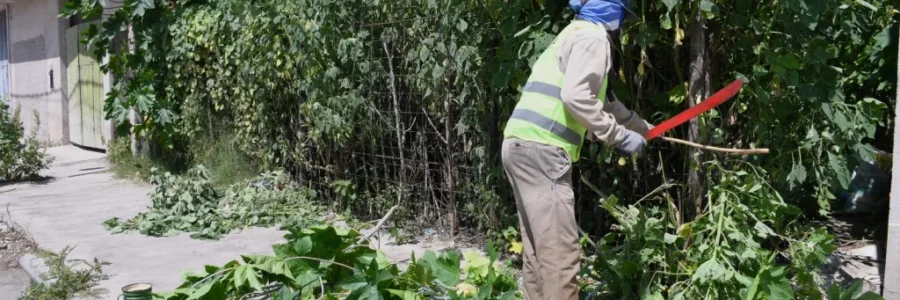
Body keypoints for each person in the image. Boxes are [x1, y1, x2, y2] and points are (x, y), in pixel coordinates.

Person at [500, 0, 652, 298]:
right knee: (560, 255)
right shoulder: (593, 38)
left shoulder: (573, 33)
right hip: (544, 150)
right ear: (613, 9)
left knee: (538, 252)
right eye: (622, 14)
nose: (621, 22)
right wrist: (616, 136)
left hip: (520, 145)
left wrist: (638, 126)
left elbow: (604, 103)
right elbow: (576, 97)